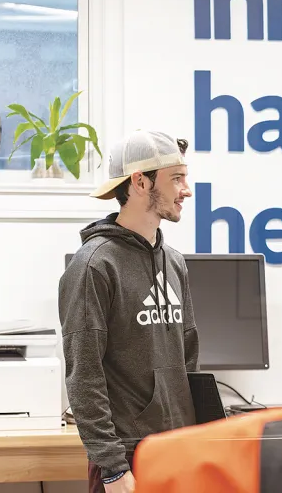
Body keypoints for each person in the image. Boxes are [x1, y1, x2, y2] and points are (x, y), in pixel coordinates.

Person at [59, 130, 199, 493]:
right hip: (126, 460)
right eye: (176, 179)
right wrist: (111, 468)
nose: (186, 189)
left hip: (177, 450)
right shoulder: (92, 266)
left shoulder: (175, 262)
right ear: (140, 182)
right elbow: (83, 374)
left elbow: (188, 358)